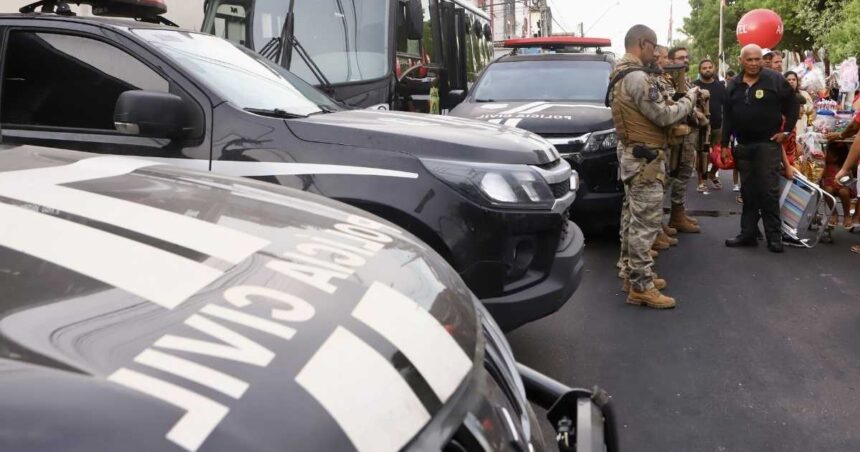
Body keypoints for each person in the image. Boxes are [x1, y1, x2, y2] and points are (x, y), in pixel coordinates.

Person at [609, 24, 698, 308]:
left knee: (631, 219)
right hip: (645, 160)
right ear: (643, 43)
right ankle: (641, 286)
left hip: (633, 156)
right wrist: (689, 100)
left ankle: (631, 274)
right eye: (654, 46)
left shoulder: (618, 72)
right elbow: (663, 115)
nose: (655, 53)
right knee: (644, 225)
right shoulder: (636, 77)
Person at [723, 44, 799, 253]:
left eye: (758, 59)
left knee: (768, 191)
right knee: (748, 192)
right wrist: (723, 145)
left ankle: (774, 237)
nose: (754, 63)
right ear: (741, 61)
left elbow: (793, 105)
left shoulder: (775, 79)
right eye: (750, 60)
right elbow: (727, 117)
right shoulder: (733, 85)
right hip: (743, 145)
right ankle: (747, 233)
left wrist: (787, 131)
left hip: (768, 144)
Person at [666, 46, 704, 232]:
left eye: (687, 57)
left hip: (688, 136)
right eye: (681, 58)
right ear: (671, 61)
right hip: (675, 139)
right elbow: (675, 105)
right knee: (671, 177)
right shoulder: (667, 80)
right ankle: (664, 221)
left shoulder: (685, 80)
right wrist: (696, 112)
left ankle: (678, 213)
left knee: (684, 175)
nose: (686, 60)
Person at [694, 59, 728, 191]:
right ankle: (701, 181)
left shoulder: (720, 86)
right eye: (704, 68)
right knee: (701, 154)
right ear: (700, 70)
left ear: (713, 68)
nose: (707, 70)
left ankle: (712, 173)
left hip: (718, 126)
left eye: (709, 67)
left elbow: (726, 105)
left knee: (718, 154)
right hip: (700, 126)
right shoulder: (694, 86)